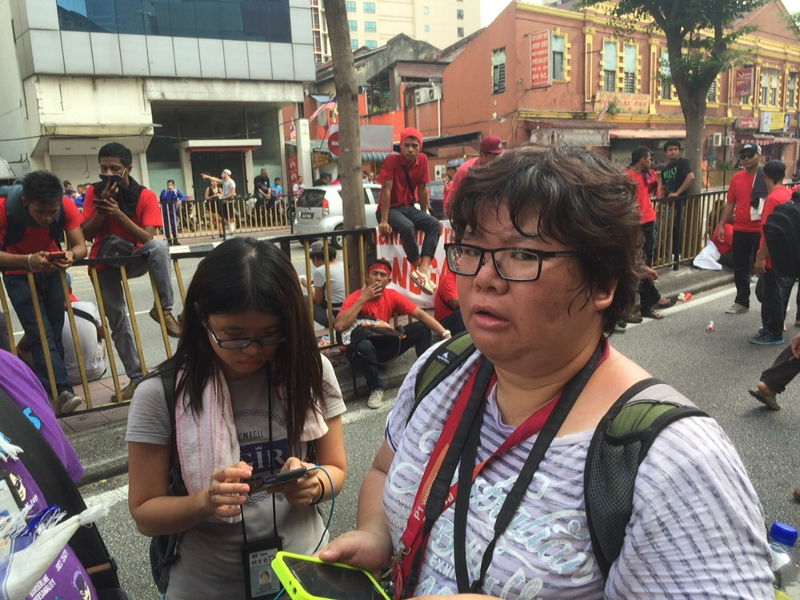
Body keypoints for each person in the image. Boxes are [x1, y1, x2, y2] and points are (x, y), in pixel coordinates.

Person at [319, 144, 772, 598]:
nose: (484, 277)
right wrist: (380, 535)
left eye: (521, 254)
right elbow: (382, 470)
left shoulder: (673, 463)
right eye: (473, 247)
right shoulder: (440, 368)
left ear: (601, 283)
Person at [126, 237, 347, 599]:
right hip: (206, 585)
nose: (253, 350)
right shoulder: (161, 395)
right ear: (200, 316)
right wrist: (205, 501)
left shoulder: (309, 370)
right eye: (234, 335)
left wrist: (314, 484)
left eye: (270, 334)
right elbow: (145, 513)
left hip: (304, 572)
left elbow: (336, 467)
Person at [82, 142, 182, 402]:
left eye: (114, 168)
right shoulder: (95, 192)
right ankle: (136, 378)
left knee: (160, 247)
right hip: (103, 261)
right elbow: (86, 234)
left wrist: (119, 214)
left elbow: (148, 237)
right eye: (104, 168)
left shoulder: (145, 195)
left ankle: (164, 309)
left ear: (128, 168)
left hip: (133, 255)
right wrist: (104, 209)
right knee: (118, 320)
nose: (108, 173)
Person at [0, 170, 87, 413]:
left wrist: (70, 255)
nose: (48, 218)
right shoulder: (3, 209)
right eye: (40, 212)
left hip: (53, 274)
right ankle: (61, 391)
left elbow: (80, 246)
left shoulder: (66, 205)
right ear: (25, 202)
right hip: (19, 277)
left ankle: (50, 392)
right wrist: (28, 260)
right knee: (41, 336)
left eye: (53, 211)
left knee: (54, 335)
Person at [334, 258, 451, 409]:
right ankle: (375, 387)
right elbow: (340, 325)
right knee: (364, 345)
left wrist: (445, 334)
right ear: (367, 277)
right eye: (374, 274)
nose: (378, 278)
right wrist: (363, 299)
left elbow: (421, 315)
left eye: (383, 275)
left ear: (388, 281)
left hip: (383, 348)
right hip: (360, 354)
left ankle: (425, 377)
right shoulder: (356, 297)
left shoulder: (392, 295)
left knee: (421, 328)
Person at [377, 127, 440, 295]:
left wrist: (425, 213)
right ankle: (416, 268)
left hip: (408, 207)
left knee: (434, 224)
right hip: (390, 208)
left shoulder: (423, 160)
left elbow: (422, 190)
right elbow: (387, 190)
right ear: (401, 147)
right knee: (407, 227)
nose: (410, 150)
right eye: (406, 145)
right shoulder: (392, 159)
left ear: (420, 147)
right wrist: (384, 220)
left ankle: (423, 270)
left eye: (414, 145)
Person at [718, 143, 765, 314]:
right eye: (743, 156)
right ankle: (742, 301)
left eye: (750, 155)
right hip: (741, 229)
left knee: (765, 267)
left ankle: (773, 301)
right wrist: (722, 224)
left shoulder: (766, 177)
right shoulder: (737, 178)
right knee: (740, 267)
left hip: (761, 230)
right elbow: (731, 202)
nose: (746, 159)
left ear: (760, 155)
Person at [628, 146, 675, 319]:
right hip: (635, 223)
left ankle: (649, 304)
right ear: (641, 159)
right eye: (648, 158)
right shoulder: (627, 176)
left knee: (646, 262)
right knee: (638, 264)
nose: (650, 161)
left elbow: (655, 190)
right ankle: (648, 303)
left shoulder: (648, 174)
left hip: (648, 221)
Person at [751, 160, 792, 345]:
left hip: (771, 256)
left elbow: (769, 231)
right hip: (782, 254)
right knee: (767, 292)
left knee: (770, 294)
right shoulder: (787, 193)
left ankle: (773, 332)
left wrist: (761, 257)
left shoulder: (773, 198)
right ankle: (771, 326)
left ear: (764, 175)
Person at [659, 139, 696, 270]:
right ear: (666, 152)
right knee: (665, 232)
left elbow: (691, 177)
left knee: (667, 231)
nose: (673, 152)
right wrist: (659, 204)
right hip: (667, 204)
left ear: (679, 151)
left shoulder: (683, 163)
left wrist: (677, 193)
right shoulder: (665, 170)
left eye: (675, 149)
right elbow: (663, 187)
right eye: (670, 150)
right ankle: (667, 258)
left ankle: (671, 259)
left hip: (679, 204)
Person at [444, 134, 505, 212]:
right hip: (460, 213)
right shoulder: (467, 171)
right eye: (494, 158)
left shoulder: (494, 169)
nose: (498, 161)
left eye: (500, 157)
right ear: (482, 156)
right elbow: (467, 203)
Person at [299, 240, 345, 328]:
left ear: (315, 258)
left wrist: (307, 286)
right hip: (348, 311)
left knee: (303, 299)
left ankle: (304, 331)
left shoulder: (320, 271)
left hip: (335, 316)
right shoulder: (341, 264)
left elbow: (318, 300)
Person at [434, 263, 465, 335]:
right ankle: (462, 341)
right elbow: (455, 303)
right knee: (461, 314)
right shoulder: (449, 279)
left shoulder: (466, 278)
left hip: (458, 314)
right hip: (445, 319)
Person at [159, 180, 186, 246]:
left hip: (173, 210)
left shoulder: (176, 191)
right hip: (165, 211)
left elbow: (183, 197)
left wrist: (180, 200)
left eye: (170, 185)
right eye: (168, 185)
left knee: (174, 225)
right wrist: (170, 192)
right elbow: (166, 199)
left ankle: (175, 240)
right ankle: (169, 240)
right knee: (167, 225)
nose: (169, 186)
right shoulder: (164, 191)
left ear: (174, 185)